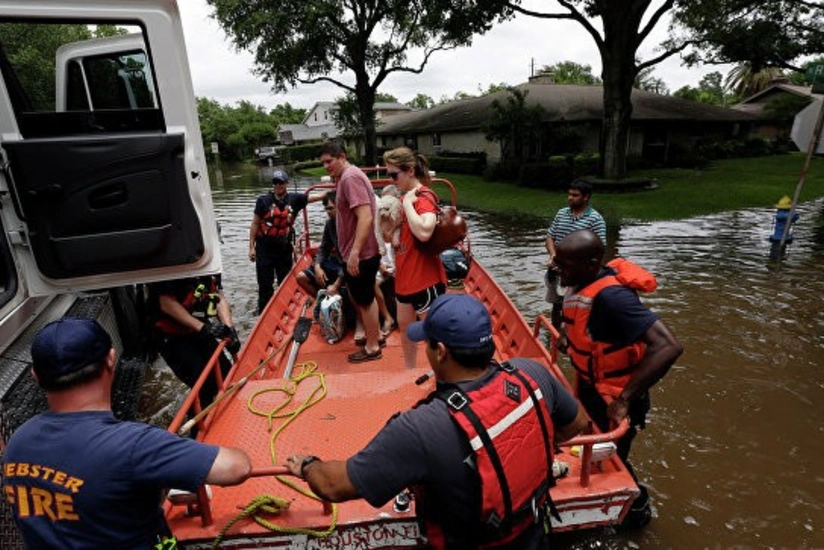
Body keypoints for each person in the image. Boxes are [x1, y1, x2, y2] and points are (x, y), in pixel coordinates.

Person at [283, 294, 588, 548]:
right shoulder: (529, 373)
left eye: (426, 343)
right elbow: (577, 423)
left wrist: (308, 465)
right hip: (533, 534)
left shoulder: (420, 428)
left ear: (440, 352)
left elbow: (334, 486)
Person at [2, 317, 251, 549]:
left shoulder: (18, 442)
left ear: (35, 376)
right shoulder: (136, 444)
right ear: (111, 358)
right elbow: (236, 467)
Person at [553, 229, 683, 528]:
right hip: (591, 388)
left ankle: (636, 514)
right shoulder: (580, 282)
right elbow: (590, 331)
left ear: (590, 264)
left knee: (617, 459)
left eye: (564, 264)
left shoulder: (613, 298)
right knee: (597, 449)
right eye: (557, 261)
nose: (556, 268)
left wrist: (625, 399)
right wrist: (567, 339)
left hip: (615, 397)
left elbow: (668, 346)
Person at [382, 147, 447, 369]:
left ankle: (441, 377)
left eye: (393, 175)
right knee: (406, 331)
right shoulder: (404, 199)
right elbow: (397, 239)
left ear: (410, 170)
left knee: (433, 336)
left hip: (424, 280)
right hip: (405, 279)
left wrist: (408, 203)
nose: (391, 180)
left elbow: (425, 231)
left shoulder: (423, 197)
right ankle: (410, 372)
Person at [318, 142, 382, 363]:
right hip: (361, 252)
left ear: (342, 156)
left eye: (329, 161)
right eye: (323, 163)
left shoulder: (349, 178)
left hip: (361, 254)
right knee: (366, 298)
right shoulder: (349, 176)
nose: (326, 166)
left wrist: (354, 253)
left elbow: (365, 217)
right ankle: (377, 336)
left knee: (364, 300)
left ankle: (372, 347)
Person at [150, 275, 240, 408]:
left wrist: (229, 329)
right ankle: (198, 424)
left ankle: (228, 411)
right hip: (171, 336)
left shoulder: (209, 266)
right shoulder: (172, 270)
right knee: (202, 384)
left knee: (225, 373)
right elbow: (166, 303)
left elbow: (218, 297)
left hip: (199, 328)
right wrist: (202, 327)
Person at [249, 169, 323, 314]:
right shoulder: (263, 201)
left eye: (281, 182)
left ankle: (284, 310)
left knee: (284, 282)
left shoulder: (295, 199)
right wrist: (251, 247)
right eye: (275, 182)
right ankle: (263, 312)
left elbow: (316, 197)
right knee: (265, 284)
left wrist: (336, 190)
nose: (278, 185)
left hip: (283, 248)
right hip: (264, 248)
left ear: (286, 183)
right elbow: (255, 224)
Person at [545, 179, 607, 328]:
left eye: (575, 195)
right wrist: (553, 256)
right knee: (556, 304)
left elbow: (600, 249)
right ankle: (555, 337)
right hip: (556, 268)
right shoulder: (561, 214)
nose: (570, 198)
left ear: (586, 197)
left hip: (578, 273)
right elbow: (550, 237)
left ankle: (572, 336)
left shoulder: (595, 219)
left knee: (576, 308)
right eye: (569, 194)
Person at [296, 191, 344, 299]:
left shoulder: (349, 225)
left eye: (331, 208)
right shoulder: (330, 224)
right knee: (301, 277)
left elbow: (350, 260)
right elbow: (324, 248)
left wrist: (336, 284)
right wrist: (317, 266)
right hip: (336, 261)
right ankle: (322, 300)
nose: (328, 212)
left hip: (347, 266)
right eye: (326, 209)